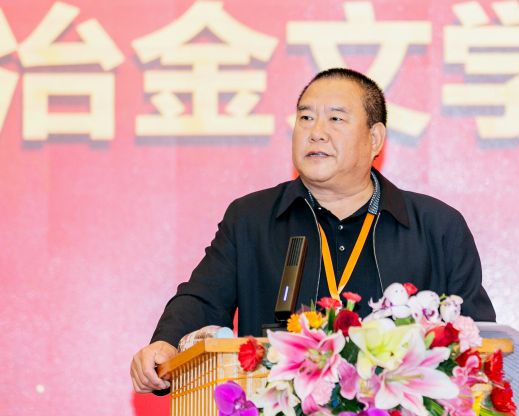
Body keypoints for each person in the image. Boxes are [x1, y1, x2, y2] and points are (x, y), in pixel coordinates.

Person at [130, 68, 496, 394]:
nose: (316, 132)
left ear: (375, 138)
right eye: (305, 118)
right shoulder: (251, 219)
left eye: (336, 119)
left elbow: (476, 339)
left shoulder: (436, 227)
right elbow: (203, 300)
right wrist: (166, 343)